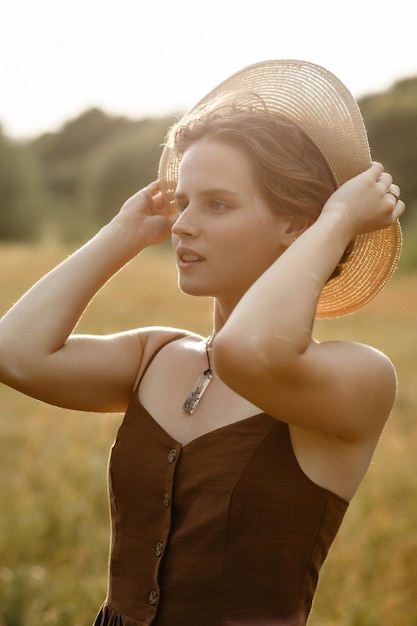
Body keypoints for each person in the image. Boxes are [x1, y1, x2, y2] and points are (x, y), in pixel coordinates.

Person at [0, 60, 405, 626]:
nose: (183, 225)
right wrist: (122, 234)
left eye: (216, 204)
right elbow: (15, 353)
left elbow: (249, 353)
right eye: (183, 202)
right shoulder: (156, 356)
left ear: (297, 223)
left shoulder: (359, 377)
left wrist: (335, 220)